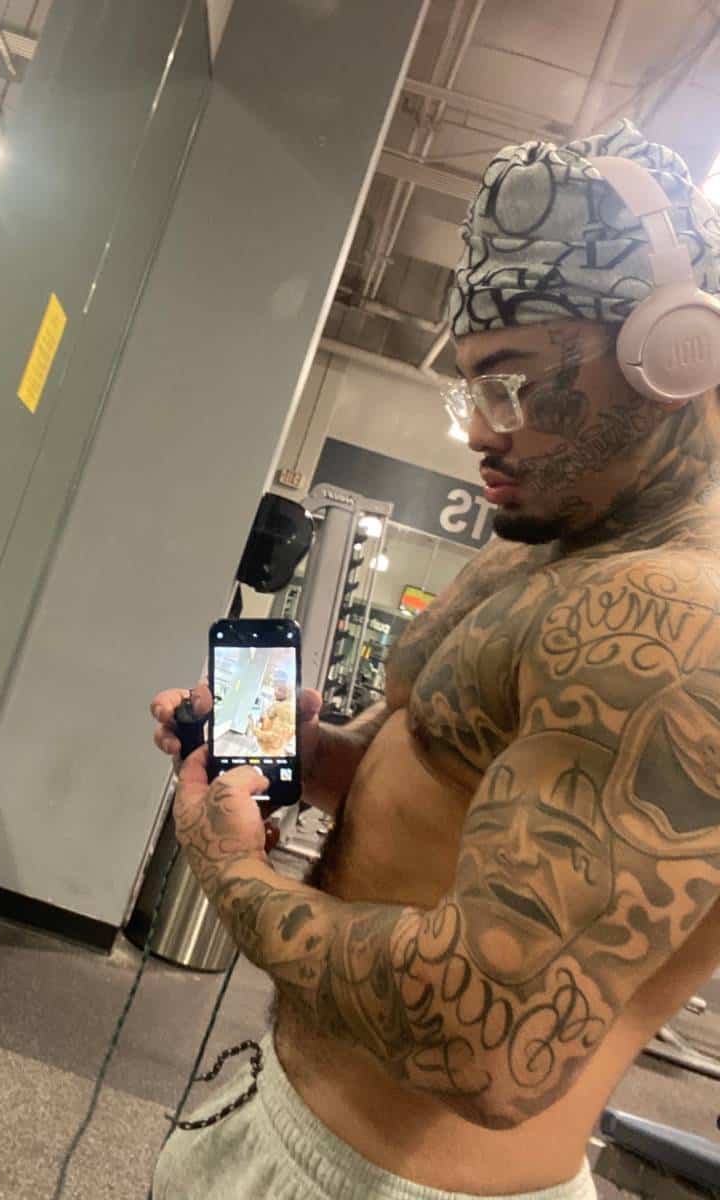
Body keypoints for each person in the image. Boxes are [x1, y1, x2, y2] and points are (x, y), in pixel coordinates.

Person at [149, 120, 720, 1200]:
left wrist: (229, 872)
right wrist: (309, 757)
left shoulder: (679, 624)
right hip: (287, 1117)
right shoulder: (546, 546)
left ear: (671, 352)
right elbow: (447, 794)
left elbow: (488, 1044)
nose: (478, 433)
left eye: (510, 383)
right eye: (469, 392)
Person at [250, 668, 297, 756]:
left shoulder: (287, 708)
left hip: (271, 750)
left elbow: (275, 738)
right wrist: (264, 719)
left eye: (278, 687)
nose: (275, 690)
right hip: (265, 745)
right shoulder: (278, 702)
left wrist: (254, 729)